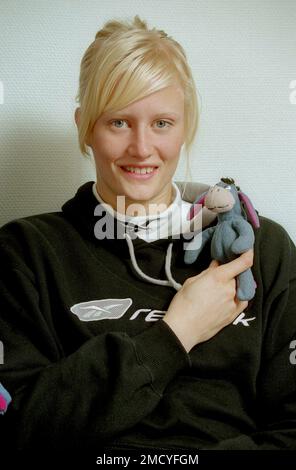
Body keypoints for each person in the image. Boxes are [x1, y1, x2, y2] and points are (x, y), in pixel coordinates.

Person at [0, 15, 296, 454]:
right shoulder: (25, 252)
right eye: (118, 122)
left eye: (162, 123)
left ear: (186, 127)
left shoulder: (258, 247)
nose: (141, 148)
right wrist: (175, 333)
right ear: (85, 126)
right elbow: (18, 428)